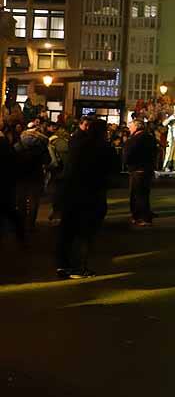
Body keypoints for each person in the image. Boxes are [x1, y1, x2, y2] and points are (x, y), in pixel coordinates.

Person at [56, 119, 119, 278]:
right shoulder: (104, 148)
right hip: (91, 195)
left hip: (71, 193)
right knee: (84, 233)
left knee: (68, 231)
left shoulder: (77, 144)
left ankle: (63, 265)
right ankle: (78, 267)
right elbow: (113, 169)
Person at [123, 119, 158, 226]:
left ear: (136, 127)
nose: (129, 128)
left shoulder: (134, 139)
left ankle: (140, 217)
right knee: (144, 194)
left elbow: (127, 155)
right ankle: (144, 215)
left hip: (137, 169)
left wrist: (128, 163)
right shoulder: (150, 138)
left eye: (131, 126)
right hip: (147, 169)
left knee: (137, 194)